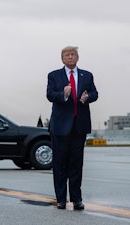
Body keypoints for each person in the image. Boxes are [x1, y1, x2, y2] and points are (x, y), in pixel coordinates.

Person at [46, 46, 98, 210]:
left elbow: (95, 93)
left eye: (73, 54)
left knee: (76, 164)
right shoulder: (54, 75)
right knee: (60, 164)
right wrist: (64, 94)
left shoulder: (87, 75)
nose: (70, 57)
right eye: (67, 55)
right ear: (62, 59)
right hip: (60, 126)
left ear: (77, 57)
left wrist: (87, 97)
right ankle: (61, 199)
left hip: (79, 126)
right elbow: (49, 95)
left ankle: (76, 199)